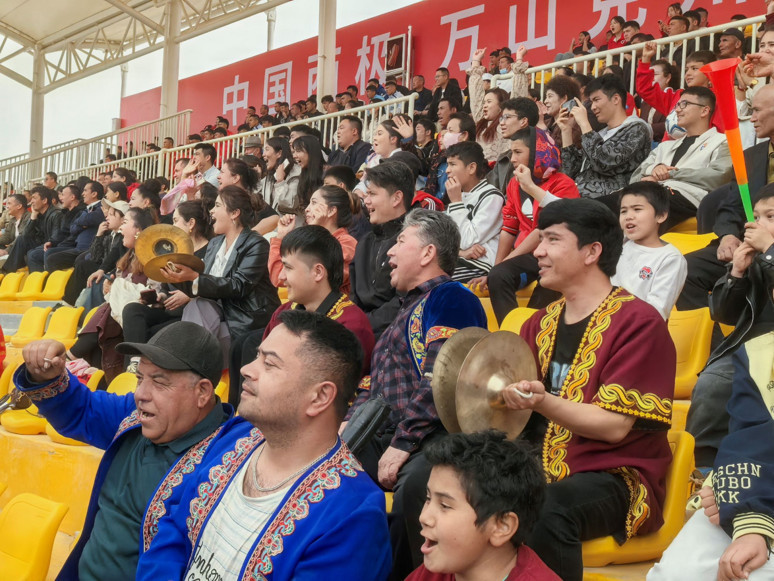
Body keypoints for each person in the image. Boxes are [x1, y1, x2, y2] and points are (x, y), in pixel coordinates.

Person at [137, 310, 392, 581]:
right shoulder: (236, 438)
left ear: (319, 397)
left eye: (269, 363)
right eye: (257, 356)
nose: (246, 369)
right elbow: (175, 528)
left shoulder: (352, 516)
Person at [502, 198, 675, 581]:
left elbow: (613, 427)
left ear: (591, 251)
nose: (538, 251)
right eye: (539, 239)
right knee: (434, 480)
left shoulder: (638, 322)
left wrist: (542, 401)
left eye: (552, 240)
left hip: (613, 474)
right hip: (534, 463)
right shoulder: (538, 323)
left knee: (547, 506)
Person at [15, 322, 232, 580]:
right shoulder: (133, 415)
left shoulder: (226, 465)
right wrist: (46, 375)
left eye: (159, 382)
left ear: (202, 392)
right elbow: (82, 410)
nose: (141, 394)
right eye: (140, 378)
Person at [345, 209, 488, 579]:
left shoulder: (451, 297)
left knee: (415, 490)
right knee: (321, 467)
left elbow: (440, 379)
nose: (389, 252)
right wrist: (349, 423)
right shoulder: (405, 308)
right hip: (391, 434)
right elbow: (373, 384)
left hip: (434, 437)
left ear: (428, 253)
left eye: (400, 242)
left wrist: (403, 443)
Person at [647, 334, 774, 580]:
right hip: (759, 490)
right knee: (677, 574)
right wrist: (741, 495)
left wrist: (753, 518)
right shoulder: (758, 352)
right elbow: (750, 436)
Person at [406, 431, 559, 581]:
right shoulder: (432, 573)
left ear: (502, 526)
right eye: (428, 498)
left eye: (445, 506)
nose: (423, 517)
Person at [158, 186, 280, 363]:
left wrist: (194, 278)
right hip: (215, 315)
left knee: (192, 336)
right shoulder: (215, 244)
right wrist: (176, 278)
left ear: (234, 213)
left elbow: (239, 286)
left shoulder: (256, 244)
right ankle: (186, 367)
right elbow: (204, 286)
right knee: (196, 309)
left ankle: (183, 368)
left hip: (243, 319)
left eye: (217, 206)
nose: (211, 211)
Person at [481, 127, 580, 323]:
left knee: (549, 281)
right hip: (529, 254)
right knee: (498, 276)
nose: (513, 159)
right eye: (512, 153)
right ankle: (511, 330)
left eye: (518, 152)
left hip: (557, 253)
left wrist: (530, 186)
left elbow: (542, 230)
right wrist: (497, 268)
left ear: (537, 153)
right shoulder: (514, 184)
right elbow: (509, 227)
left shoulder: (564, 184)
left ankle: (534, 330)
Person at [611, 87, 732, 232]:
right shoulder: (665, 146)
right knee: (598, 206)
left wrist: (671, 174)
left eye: (684, 104)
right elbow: (635, 177)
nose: (677, 110)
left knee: (629, 208)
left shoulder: (722, 142)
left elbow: (720, 176)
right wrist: (654, 170)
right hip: (651, 193)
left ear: (704, 111)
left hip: (686, 198)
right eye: (677, 105)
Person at [68, 207, 158, 381]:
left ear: (138, 231)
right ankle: (87, 367)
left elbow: (155, 293)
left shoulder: (153, 258)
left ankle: (72, 355)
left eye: (125, 223)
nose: (120, 228)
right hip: (119, 316)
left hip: (142, 312)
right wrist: (111, 286)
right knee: (107, 312)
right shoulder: (128, 256)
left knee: (106, 312)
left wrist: (119, 289)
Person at [121, 199, 214, 347]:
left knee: (149, 335)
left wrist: (190, 296)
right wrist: (160, 297)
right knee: (132, 310)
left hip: (190, 314)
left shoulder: (211, 251)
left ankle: (137, 358)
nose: (173, 226)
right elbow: (165, 287)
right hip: (168, 311)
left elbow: (215, 285)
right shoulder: (176, 250)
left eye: (176, 221)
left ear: (191, 223)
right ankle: (135, 359)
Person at [559, 74, 652, 198]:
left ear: (616, 99)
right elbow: (569, 172)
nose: (592, 107)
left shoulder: (638, 129)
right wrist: (566, 131)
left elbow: (603, 162)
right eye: (591, 102)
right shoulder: (600, 134)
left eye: (596, 100)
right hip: (578, 197)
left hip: (610, 200)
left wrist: (584, 124)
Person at [350, 161, 411, 339]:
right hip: (361, 332)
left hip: (396, 334)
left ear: (396, 198)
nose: (366, 201)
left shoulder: (414, 240)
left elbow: (404, 302)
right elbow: (355, 298)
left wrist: (362, 324)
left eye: (372, 194)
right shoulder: (364, 242)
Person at [610, 182, 687, 320]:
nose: (628, 216)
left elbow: (656, 312)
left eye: (637, 209)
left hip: (639, 327)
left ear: (661, 215)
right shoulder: (620, 244)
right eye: (623, 211)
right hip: (605, 320)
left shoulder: (670, 258)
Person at [268, 185, 358, 292]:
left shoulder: (347, 243)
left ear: (331, 211)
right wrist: (280, 236)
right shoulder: (310, 240)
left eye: (314, 203)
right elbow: (279, 277)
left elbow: (318, 281)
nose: (307, 209)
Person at [444, 141, 505, 282]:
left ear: (471, 168)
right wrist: (461, 253)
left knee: (433, 279)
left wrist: (456, 202)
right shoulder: (458, 195)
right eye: (447, 164)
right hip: (460, 260)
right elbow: (445, 240)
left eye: (453, 164)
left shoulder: (491, 196)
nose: (447, 170)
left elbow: (466, 240)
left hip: (480, 264)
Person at [637, 42, 718, 140]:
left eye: (694, 68)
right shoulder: (676, 96)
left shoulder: (718, 99)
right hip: (669, 149)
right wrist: (645, 59)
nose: (688, 73)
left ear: (710, 72)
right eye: (686, 69)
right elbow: (645, 90)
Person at [44, 180, 106, 272]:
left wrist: (80, 223)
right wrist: (82, 224)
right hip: (78, 248)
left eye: (85, 190)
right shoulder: (86, 210)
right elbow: (72, 228)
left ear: (94, 194)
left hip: (88, 249)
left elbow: (88, 219)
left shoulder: (101, 207)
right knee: (49, 253)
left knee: (52, 258)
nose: (83, 194)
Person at [487, 97, 540, 194]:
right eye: (501, 118)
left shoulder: (544, 158)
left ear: (523, 121)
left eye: (507, 117)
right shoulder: (503, 158)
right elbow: (490, 192)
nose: (501, 123)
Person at [261, 136, 301, 210]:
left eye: (267, 149)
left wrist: (280, 182)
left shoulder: (296, 173)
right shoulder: (269, 177)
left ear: (279, 153)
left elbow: (289, 203)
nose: (263, 154)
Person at [291, 134, 325, 210]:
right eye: (294, 152)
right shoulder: (304, 174)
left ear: (311, 152)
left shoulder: (327, 174)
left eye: (298, 151)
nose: (294, 156)